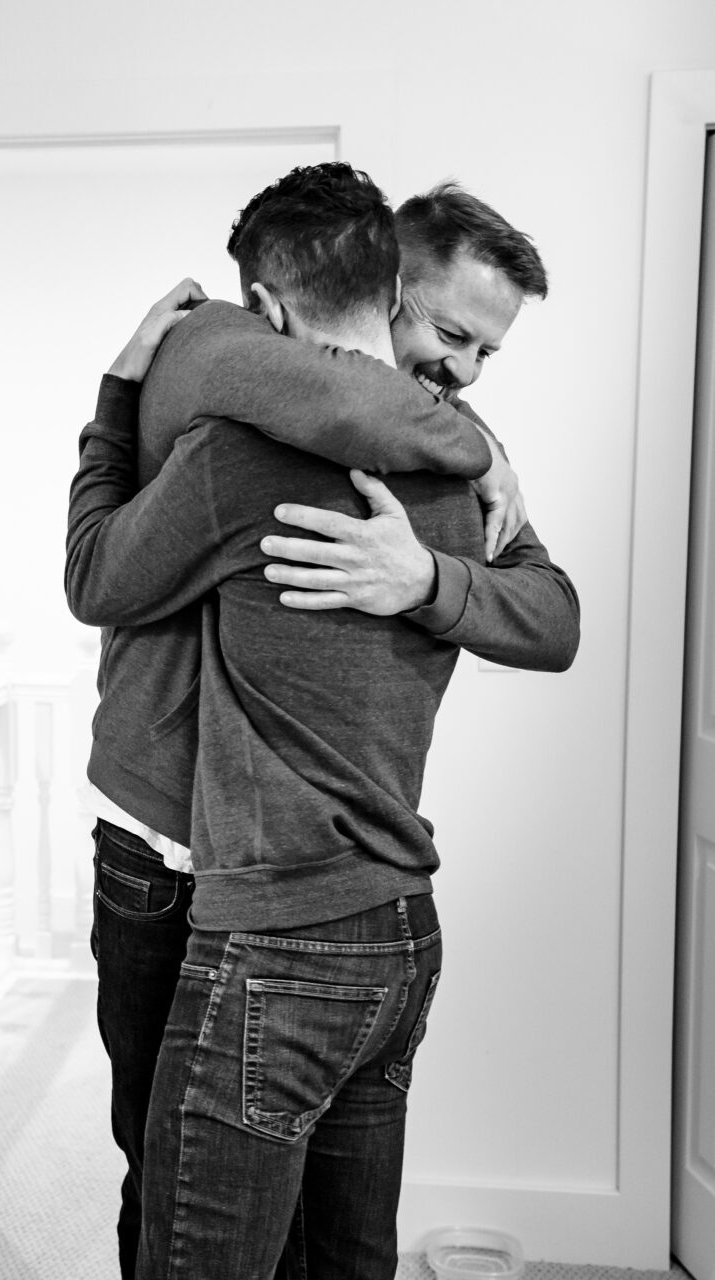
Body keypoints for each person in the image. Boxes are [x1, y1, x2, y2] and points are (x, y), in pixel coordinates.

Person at [66, 163, 579, 1279]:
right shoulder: (244, 389)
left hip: (278, 898)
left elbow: (551, 616)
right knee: (194, 1187)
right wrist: (483, 455)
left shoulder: (433, 450)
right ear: (386, 285)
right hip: (182, 853)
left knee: (199, 1215)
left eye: (489, 354)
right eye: (450, 332)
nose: (462, 371)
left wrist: (423, 578)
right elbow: (297, 377)